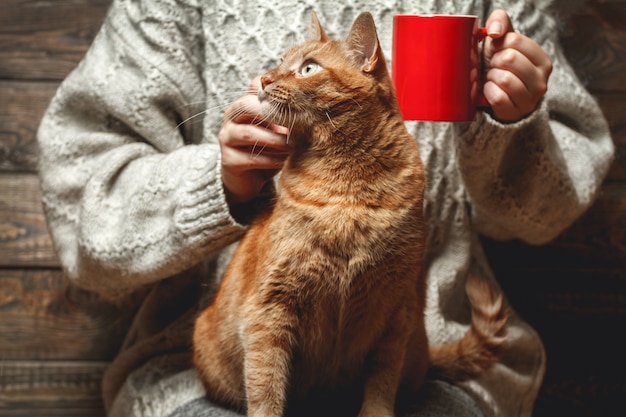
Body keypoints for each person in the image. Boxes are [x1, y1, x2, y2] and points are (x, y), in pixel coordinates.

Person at [36, 0, 614, 416]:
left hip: (410, 356)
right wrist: (221, 184)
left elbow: (548, 213)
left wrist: (509, 122)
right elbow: (82, 206)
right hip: (211, 369)